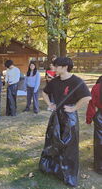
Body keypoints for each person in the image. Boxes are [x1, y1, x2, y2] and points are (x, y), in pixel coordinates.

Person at [40, 57, 91, 187]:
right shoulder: (54, 82)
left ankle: (68, 173)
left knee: (69, 145)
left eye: (56, 66)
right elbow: (44, 93)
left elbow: (87, 97)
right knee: (53, 141)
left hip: (69, 118)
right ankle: (53, 168)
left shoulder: (76, 81)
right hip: (56, 116)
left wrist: (74, 108)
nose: (54, 68)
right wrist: (50, 104)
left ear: (64, 67)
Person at [86, 75, 102, 174]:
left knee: (99, 142)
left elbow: (91, 104)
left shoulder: (96, 87)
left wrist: (89, 119)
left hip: (100, 117)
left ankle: (99, 166)